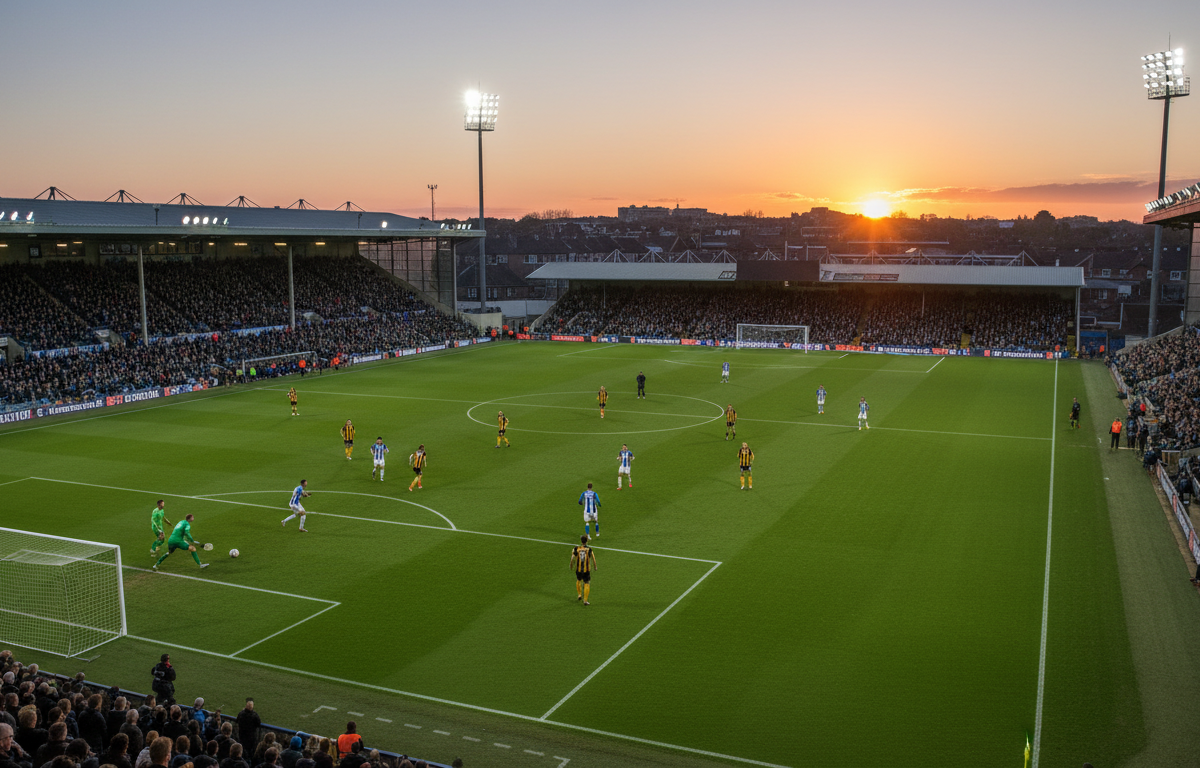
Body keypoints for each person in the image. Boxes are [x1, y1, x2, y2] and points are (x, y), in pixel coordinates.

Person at [570, 534, 597, 606]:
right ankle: (585, 600)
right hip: (586, 570)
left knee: (578, 580)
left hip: (578, 569)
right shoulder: (589, 549)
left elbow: (572, 557)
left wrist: (571, 565)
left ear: (581, 541)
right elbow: (593, 558)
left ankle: (579, 595)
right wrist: (595, 566)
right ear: (587, 541)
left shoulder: (576, 548)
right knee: (586, 583)